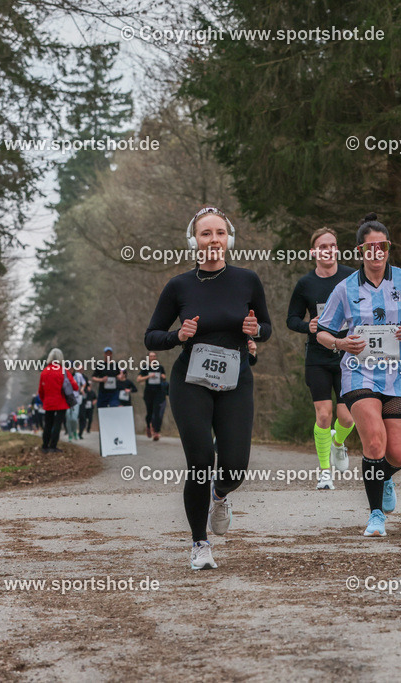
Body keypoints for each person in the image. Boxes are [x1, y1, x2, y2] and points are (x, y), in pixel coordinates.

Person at [145, 206, 271, 570]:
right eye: (205, 233)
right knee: (200, 461)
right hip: (191, 381)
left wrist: (255, 331)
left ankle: (220, 494)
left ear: (229, 239)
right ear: (194, 241)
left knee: (235, 467)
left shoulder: (247, 280)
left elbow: (266, 327)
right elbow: (151, 335)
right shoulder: (179, 286)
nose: (213, 239)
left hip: (236, 379)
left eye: (219, 232)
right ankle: (200, 543)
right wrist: (178, 335)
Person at [317, 213, 401, 537]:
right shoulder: (344, 289)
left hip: (398, 376)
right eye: (369, 247)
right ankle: (375, 516)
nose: (376, 252)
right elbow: (322, 332)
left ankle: (383, 477)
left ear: (388, 248)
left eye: (381, 246)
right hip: (359, 374)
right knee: (373, 440)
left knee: (398, 453)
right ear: (360, 251)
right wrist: (341, 342)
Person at [287, 228, 357, 490]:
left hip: (349, 355)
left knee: (347, 418)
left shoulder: (352, 277)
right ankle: (325, 472)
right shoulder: (305, 284)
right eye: (323, 246)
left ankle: (338, 443)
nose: (329, 250)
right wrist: (309, 326)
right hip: (318, 356)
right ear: (313, 252)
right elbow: (291, 319)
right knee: (324, 415)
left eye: (333, 245)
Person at [38, 348, 80, 453]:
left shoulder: (44, 372)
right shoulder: (63, 371)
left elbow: (40, 390)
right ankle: (53, 446)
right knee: (57, 424)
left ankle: (45, 446)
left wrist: (44, 400)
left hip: (48, 402)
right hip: (61, 402)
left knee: (48, 424)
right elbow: (75, 387)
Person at [137, 351, 168, 440]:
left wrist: (163, 376)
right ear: (148, 358)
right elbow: (138, 379)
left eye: (154, 356)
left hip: (158, 392)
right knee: (150, 412)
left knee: (157, 412)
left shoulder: (160, 367)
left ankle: (156, 432)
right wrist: (149, 376)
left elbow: (164, 376)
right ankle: (148, 426)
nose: (153, 358)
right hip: (149, 393)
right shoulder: (145, 368)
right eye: (151, 356)